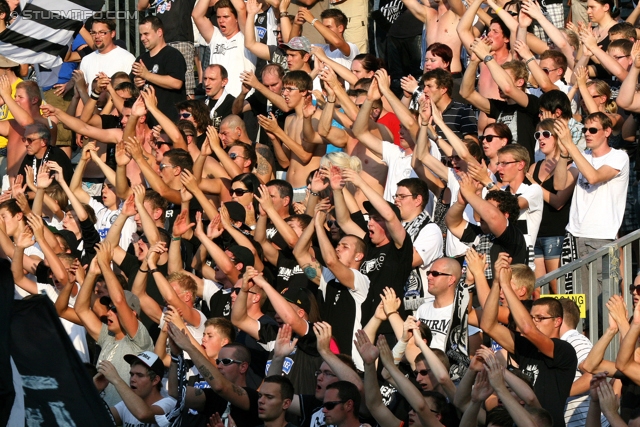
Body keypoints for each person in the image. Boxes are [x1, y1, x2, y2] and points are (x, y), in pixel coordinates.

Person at [481, 257, 578, 427]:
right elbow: (488, 325)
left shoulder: (564, 350)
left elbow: (527, 329)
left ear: (557, 321)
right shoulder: (526, 348)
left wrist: (506, 285)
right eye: (532, 317)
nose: (535, 322)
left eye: (540, 318)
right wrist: (496, 282)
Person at [553, 114, 629, 293]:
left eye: (593, 130)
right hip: (574, 235)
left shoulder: (619, 156)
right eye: (584, 129)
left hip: (602, 236)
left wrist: (571, 145)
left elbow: (594, 177)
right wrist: (564, 155)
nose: (587, 133)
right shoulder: (583, 156)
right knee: (577, 300)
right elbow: (559, 184)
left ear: (607, 132)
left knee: (605, 297)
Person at [292, 208, 369, 366]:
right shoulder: (328, 278)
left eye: (345, 247)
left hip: (353, 362)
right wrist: (315, 221)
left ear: (358, 256)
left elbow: (331, 261)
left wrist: (320, 227)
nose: (338, 248)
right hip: (329, 361)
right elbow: (299, 253)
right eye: (338, 245)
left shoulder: (361, 280)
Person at [167, 324, 262, 427]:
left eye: (226, 361)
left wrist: (189, 347)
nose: (219, 366)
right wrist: (175, 356)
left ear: (243, 367)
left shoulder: (253, 397)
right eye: (218, 361)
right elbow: (175, 392)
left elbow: (220, 387)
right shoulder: (213, 396)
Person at [192, 0, 257, 97]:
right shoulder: (215, 36)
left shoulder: (246, 36)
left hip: (241, 101)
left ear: (236, 18)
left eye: (226, 17)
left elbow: (241, 8)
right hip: (216, 102)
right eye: (218, 17)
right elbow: (196, 15)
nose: (221, 20)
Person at [97, 351, 176, 426]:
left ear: (155, 380)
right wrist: (94, 389)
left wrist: (116, 379)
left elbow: (143, 414)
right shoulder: (127, 405)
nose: (132, 379)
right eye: (132, 374)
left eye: (140, 375)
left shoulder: (169, 404)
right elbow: (98, 419)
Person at [133, 16, 186, 124]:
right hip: (146, 123)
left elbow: (176, 83)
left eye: (146, 34)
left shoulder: (173, 55)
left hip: (169, 121)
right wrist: (136, 83)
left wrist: (147, 75)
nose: (142, 38)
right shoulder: (141, 59)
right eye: (141, 35)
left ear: (159, 32)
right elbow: (132, 89)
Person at [79, 17, 136, 87]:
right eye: (93, 32)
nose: (97, 36)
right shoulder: (86, 60)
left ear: (112, 33)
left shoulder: (127, 58)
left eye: (102, 32)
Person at [17, 122, 73, 186]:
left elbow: (54, 192)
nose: (26, 144)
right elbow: (20, 184)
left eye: (30, 140)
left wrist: (27, 194)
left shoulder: (56, 155)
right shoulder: (29, 157)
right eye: (24, 139)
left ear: (43, 142)